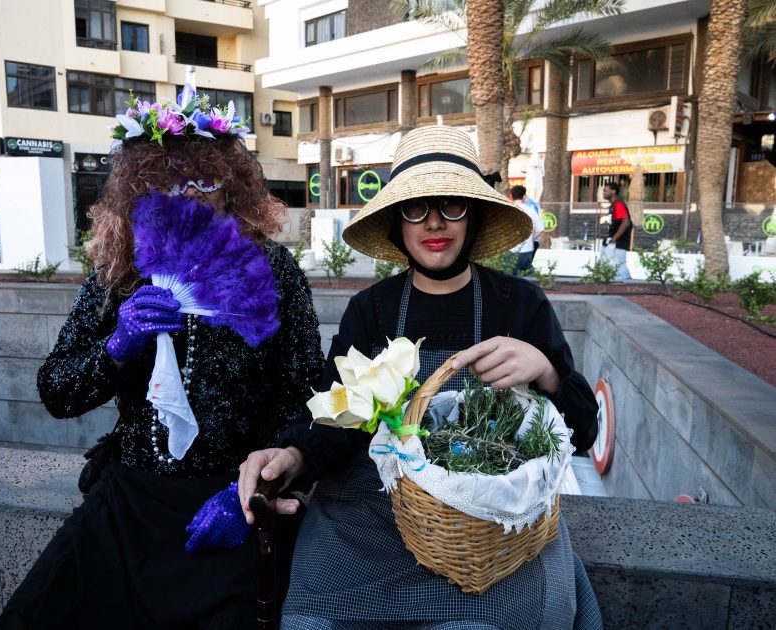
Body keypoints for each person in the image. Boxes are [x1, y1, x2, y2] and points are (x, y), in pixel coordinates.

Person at [239, 125, 601, 629]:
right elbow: (337, 423)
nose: (434, 222)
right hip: (374, 517)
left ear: (474, 216)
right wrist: (294, 455)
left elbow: (583, 431)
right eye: (415, 208)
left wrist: (546, 372)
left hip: (486, 530)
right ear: (396, 222)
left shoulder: (519, 304)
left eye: (452, 205)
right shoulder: (370, 309)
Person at [0, 86, 324, 629]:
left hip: (230, 499)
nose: (190, 194)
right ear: (144, 190)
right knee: (30, 617)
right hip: (130, 499)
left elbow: (308, 398)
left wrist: (254, 489)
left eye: (206, 180)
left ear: (231, 187)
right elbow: (56, 392)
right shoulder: (119, 271)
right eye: (171, 181)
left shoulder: (274, 272)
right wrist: (117, 348)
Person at [508, 184, 544, 275]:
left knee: (511, 276)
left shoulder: (508, 210)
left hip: (511, 249)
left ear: (511, 196)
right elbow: (540, 229)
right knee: (529, 276)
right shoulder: (530, 210)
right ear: (524, 196)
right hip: (527, 249)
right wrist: (531, 238)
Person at [601, 180, 632, 280]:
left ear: (613, 191)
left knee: (619, 266)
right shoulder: (613, 205)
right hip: (614, 241)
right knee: (612, 265)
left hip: (618, 242)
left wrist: (614, 239)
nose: (603, 193)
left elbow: (626, 223)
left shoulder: (618, 204)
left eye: (605, 190)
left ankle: (627, 285)